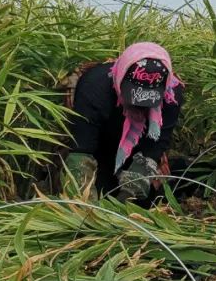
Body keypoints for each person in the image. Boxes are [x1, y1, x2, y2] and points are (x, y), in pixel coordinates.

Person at [62, 43, 184, 201]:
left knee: (140, 201)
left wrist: (127, 197)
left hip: (139, 151)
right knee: (97, 196)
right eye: (134, 98)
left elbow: (154, 146)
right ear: (120, 79)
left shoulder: (171, 96)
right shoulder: (94, 87)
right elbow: (82, 149)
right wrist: (84, 205)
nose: (139, 106)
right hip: (101, 147)